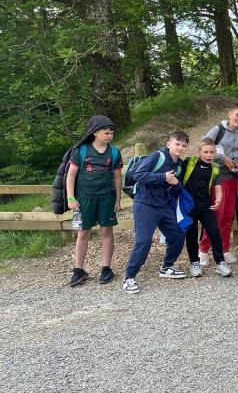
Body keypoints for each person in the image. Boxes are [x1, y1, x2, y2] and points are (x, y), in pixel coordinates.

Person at [123, 131, 190, 294]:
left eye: (184, 145)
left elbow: (175, 187)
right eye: (177, 144)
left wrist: (176, 184)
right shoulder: (157, 156)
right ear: (169, 144)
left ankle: (167, 266)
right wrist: (162, 177)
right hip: (145, 204)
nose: (180, 148)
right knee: (143, 241)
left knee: (178, 233)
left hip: (164, 205)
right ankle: (129, 277)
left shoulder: (179, 165)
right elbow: (138, 175)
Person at [65, 115, 123, 286]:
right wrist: (70, 198)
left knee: (107, 231)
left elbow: (117, 177)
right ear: (95, 132)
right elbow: (71, 175)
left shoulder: (114, 152)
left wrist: (118, 199)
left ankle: (107, 268)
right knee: (83, 233)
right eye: (106, 132)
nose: (110, 135)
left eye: (112, 133)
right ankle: (79, 269)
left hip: (107, 198)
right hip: (84, 200)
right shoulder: (81, 151)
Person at [200, 102, 238, 266]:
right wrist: (223, 159)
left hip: (233, 180)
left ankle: (224, 249)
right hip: (217, 179)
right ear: (230, 114)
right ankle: (203, 250)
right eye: (237, 115)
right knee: (216, 215)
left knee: (228, 216)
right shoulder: (218, 130)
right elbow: (204, 149)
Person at [182, 138, 232, 278]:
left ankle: (220, 262)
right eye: (205, 152)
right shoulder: (189, 162)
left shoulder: (215, 168)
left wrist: (219, 200)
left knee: (214, 232)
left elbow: (218, 188)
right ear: (199, 152)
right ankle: (194, 262)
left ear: (215, 153)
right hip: (189, 206)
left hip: (206, 205)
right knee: (191, 235)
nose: (209, 155)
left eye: (212, 152)